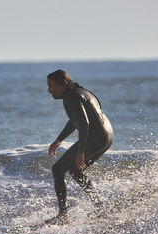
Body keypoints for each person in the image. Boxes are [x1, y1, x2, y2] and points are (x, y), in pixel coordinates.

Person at [44, 69, 113, 225]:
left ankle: (63, 216)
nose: (49, 90)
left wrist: (80, 152)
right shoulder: (78, 92)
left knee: (58, 169)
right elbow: (78, 119)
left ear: (62, 85)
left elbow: (83, 124)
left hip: (96, 136)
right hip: (106, 136)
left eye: (51, 86)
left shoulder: (71, 97)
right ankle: (101, 209)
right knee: (74, 170)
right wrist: (59, 139)